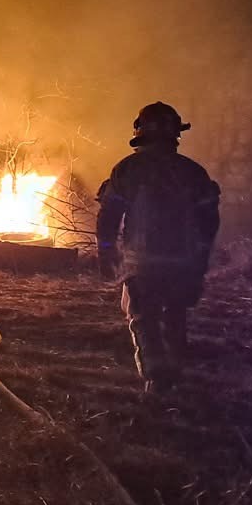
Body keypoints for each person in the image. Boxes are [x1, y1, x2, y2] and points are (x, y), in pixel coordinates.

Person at [96, 102, 221, 393]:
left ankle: (156, 378)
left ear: (139, 131)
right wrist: (200, 258)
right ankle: (174, 371)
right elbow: (209, 221)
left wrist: (106, 251)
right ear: (175, 133)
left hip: (142, 261)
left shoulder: (127, 169)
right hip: (183, 261)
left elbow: (109, 216)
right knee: (175, 314)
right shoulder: (194, 172)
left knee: (144, 318)